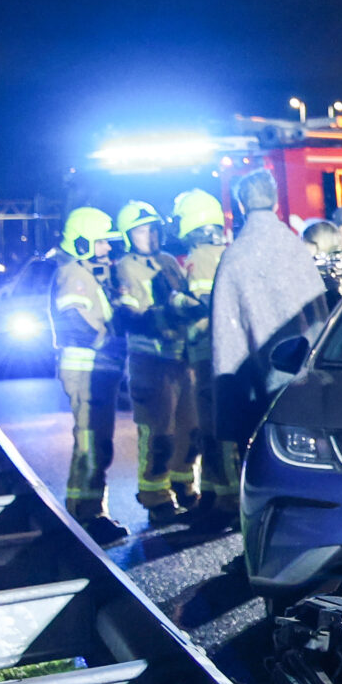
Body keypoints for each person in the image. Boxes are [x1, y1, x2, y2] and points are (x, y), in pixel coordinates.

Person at [208, 170, 326, 514]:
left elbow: (226, 336)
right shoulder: (295, 249)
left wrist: (228, 397)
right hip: (302, 374)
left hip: (254, 381)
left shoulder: (235, 256)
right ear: (275, 201)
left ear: (242, 205)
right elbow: (319, 311)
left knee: (260, 455)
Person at [111, 201, 200, 525]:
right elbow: (129, 316)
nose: (148, 236)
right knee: (158, 432)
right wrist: (162, 314)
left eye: (152, 229)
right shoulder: (124, 267)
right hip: (149, 359)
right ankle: (155, 496)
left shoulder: (168, 262)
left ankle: (183, 482)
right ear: (128, 235)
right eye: (140, 230)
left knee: (190, 427)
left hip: (180, 356)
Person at [52, 206, 127, 545]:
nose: (108, 248)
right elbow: (74, 319)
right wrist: (106, 341)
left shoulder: (84, 272)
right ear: (83, 241)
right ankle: (86, 515)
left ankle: (90, 510)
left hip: (95, 370)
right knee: (90, 443)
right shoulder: (74, 274)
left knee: (97, 442)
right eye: (101, 242)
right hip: (85, 369)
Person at [170, 188, 233, 527]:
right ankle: (211, 492)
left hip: (208, 353)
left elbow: (203, 303)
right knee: (208, 428)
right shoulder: (216, 252)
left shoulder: (203, 256)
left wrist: (177, 302)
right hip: (209, 353)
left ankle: (225, 498)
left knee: (214, 428)